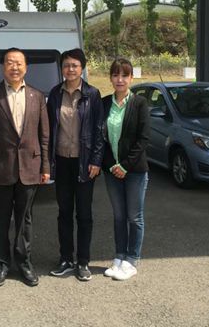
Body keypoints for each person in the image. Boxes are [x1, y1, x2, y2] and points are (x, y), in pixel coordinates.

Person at [0, 48, 50, 287]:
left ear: (26, 67)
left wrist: (45, 166)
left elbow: (44, 136)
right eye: (9, 62)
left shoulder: (37, 96)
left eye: (18, 63)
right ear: (2, 67)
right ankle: (1, 264)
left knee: (24, 220)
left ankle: (24, 263)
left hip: (30, 168)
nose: (14, 67)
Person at [46, 48, 104, 281]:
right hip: (61, 161)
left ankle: (83, 261)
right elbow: (49, 129)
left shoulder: (92, 94)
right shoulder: (55, 93)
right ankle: (66, 259)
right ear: (61, 68)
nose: (70, 69)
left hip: (84, 163)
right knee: (64, 212)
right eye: (66, 65)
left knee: (84, 214)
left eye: (75, 65)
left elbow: (99, 130)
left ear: (82, 68)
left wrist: (96, 160)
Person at [101, 57, 150, 281]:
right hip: (112, 171)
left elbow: (143, 139)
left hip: (134, 171)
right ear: (110, 78)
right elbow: (101, 138)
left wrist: (125, 166)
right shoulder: (104, 103)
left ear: (131, 78)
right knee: (119, 216)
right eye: (115, 75)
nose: (119, 79)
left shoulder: (139, 103)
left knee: (134, 217)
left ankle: (132, 260)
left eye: (124, 75)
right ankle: (119, 257)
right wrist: (112, 165)